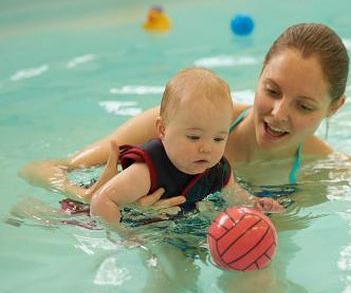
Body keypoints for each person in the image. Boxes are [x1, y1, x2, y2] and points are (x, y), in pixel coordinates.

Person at [20, 22, 351, 207]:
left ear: (334, 107)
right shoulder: (176, 124)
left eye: (303, 105)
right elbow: (39, 169)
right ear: (259, 74)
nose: (278, 113)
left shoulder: (323, 173)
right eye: (272, 91)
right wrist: (87, 196)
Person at [88, 67, 282, 232]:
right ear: (162, 130)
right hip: (106, 221)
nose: (207, 148)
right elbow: (101, 201)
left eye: (218, 138)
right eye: (194, 137)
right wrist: (123, 235)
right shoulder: (148, 170)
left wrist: (256, 203)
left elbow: (235, 195)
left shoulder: (218, 169)